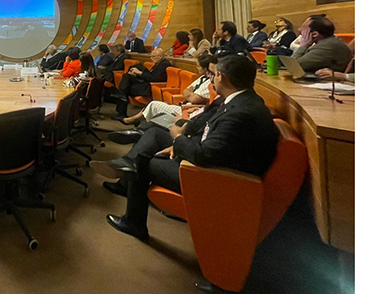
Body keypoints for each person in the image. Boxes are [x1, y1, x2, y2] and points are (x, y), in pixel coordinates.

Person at [105, 54, 279, 241]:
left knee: (142, 163)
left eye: (214, 75)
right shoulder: (243, 101)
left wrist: (179, 141)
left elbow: (204, 155)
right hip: (219, 164)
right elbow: (210, 138)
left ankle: (133, 222)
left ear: (222, 76)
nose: (212, 79)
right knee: (155, 136)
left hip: (217, 180)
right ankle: (126, 178)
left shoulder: (239, 113)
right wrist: (179, 146)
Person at [106, 53, 217, 143]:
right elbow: (186, 91)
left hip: (187, 109)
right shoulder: (202, 78)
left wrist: (189, 94)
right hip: (184, 105)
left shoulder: (210, 84)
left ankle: (136, 124)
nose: (197, 68)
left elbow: (193, 99)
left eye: (198, 67)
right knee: (157, 111)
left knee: (154, 105)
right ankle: (138, 129)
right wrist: (189, 93)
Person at [113, 48, 171, 121]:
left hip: (150, 87)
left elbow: (155, 78)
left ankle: (120, 99)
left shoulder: (164, 64)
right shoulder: (158, 63)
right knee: (128, 76)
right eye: (151, 56)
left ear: (160, 56)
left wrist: (139, 73)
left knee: (124, 89)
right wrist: (137, 74)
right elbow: (150, 76)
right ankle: (121, 96)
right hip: (146, 84)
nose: (151, 58)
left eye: (153, 56)